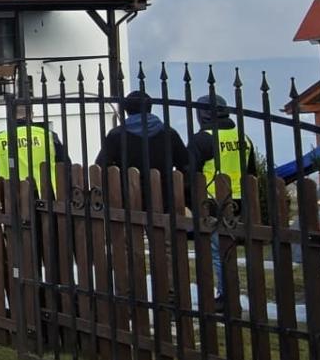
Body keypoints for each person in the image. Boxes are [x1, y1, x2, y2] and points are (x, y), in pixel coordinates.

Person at [188, 94, 263, 301]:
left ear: (201, 114)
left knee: (218, 251)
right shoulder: (242, 137)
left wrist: (190, 204)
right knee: (235, 250)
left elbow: (190, 174)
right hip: (241, 201)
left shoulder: (202, 139)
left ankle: (226, 295)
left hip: (212, 202)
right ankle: (242, 293)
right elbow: (252, 174)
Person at [95, 91, 188, 212]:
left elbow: (101, 166)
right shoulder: (169, 133)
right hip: (164, 199)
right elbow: (186, 166)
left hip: (128, 200)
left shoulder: (116, 135)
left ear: (126, 110)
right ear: (150, 108)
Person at [0, 104, 68, 197]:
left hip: (12, 200)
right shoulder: (49, 136)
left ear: (10, 115)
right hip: (48, 199)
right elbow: (66, 166)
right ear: (32, 114)